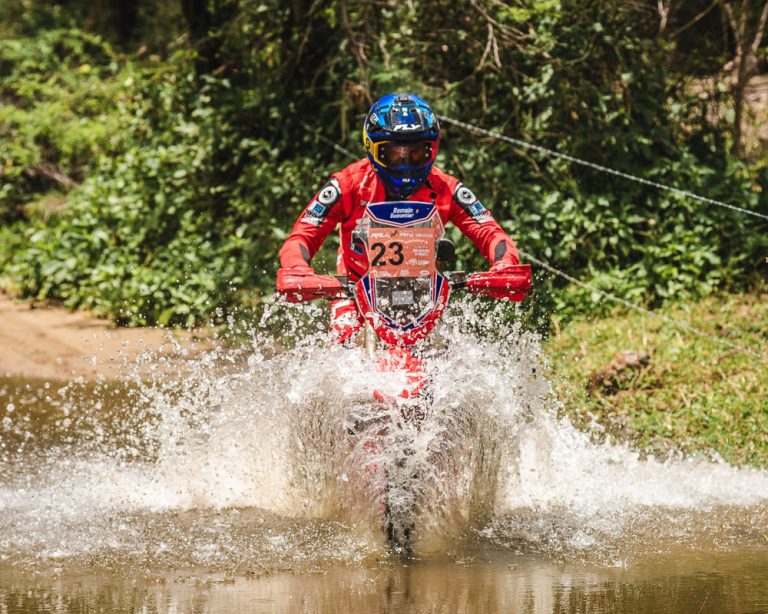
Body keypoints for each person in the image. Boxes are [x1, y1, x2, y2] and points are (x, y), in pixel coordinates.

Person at [279, 93, 520, 344]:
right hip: (352, 288)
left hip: (424, 293)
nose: (405, 162)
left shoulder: (446, 188)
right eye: (393, 153)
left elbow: (493, 234)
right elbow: (301, 238)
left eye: (416, 153)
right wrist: (299, 269)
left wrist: (503, 265)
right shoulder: (347, 184)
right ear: (372, 148)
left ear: (432, 149)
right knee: (342, 344)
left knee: (452, 353)